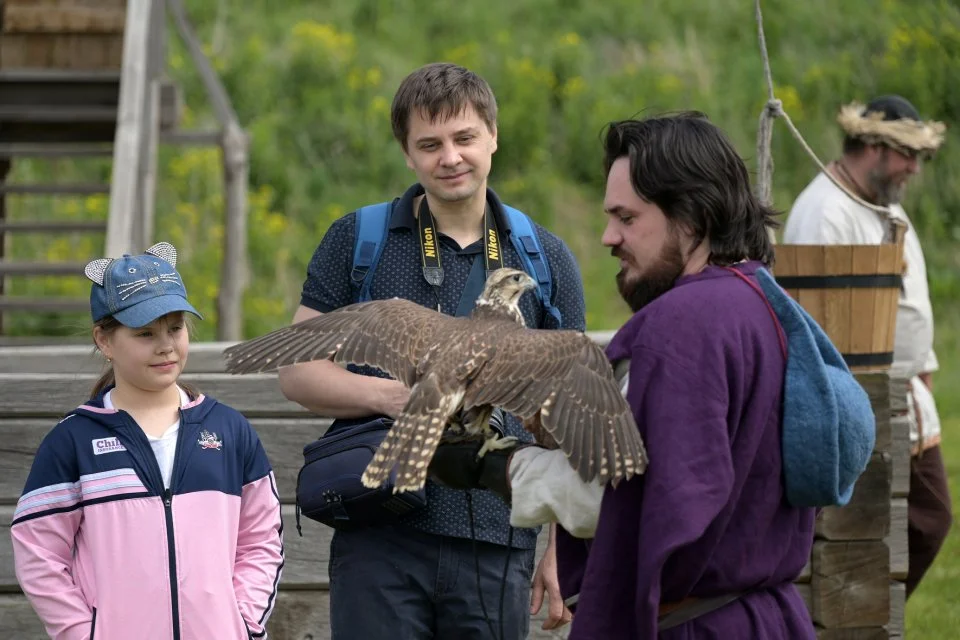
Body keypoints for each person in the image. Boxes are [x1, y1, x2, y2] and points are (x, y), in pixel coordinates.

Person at [429, 112, 878, 638]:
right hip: (765, 618)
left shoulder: (681, 329)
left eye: (626, 217)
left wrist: (497, 467)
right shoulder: (764, 304)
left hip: (696, 625)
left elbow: (621, 493)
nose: (606, 236)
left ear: (690, 218)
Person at [277, 62, 586, 638]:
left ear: (493, 135)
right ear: (407, 153)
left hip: (500, 535)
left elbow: (564, 419)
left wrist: (559, 545)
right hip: (381, 531)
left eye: (465, 138)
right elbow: (297, 372)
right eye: (430, 144)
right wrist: (394, 398)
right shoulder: (358, 240)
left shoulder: (545, 257)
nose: (450, 157)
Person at [11, 242, 284, 640]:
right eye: (145, 333)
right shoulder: (73, 441)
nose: (166, 345)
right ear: (105, 341)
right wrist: (81, 633)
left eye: (175, 328)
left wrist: (241, 623)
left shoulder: (229, 430)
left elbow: (262, 539)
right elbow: (39, 553)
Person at [783, 95, 952, 598]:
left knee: (918, 524)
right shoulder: (824, 214)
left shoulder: (885, 205)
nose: (915, 169)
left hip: (905, 397)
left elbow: (910, 298)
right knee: (865, 535)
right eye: (908, 156)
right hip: (861, 401)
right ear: (875, 147)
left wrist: (924, 373)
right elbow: (815, 328)